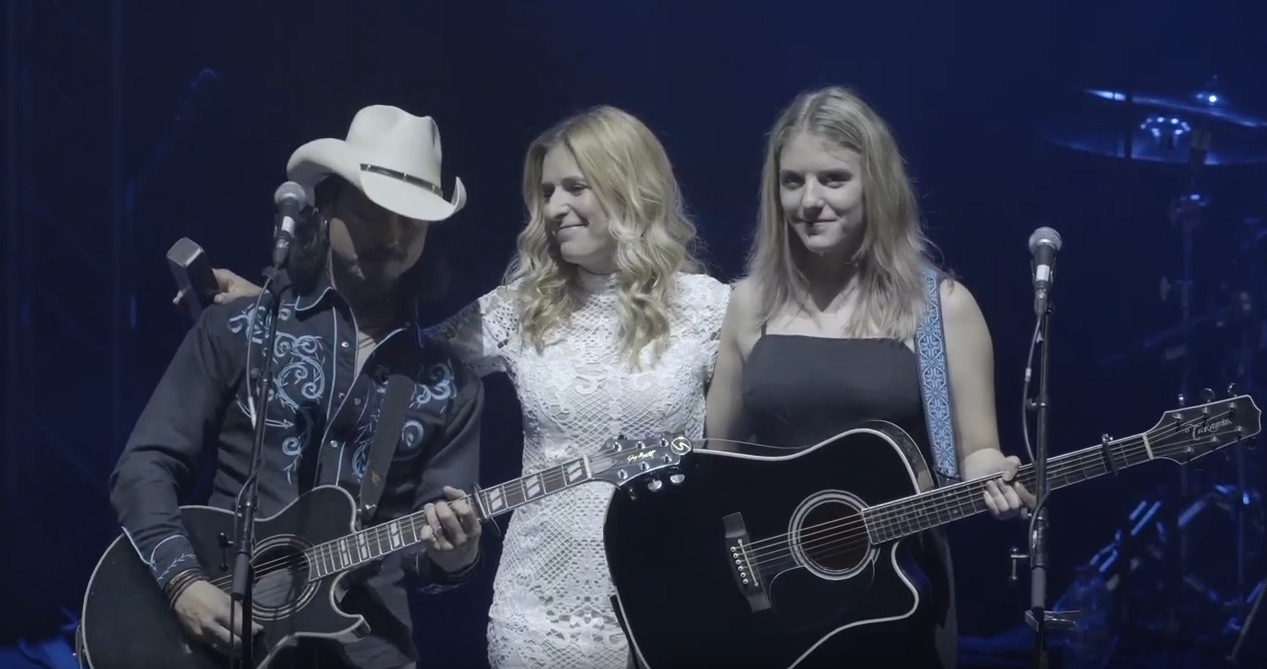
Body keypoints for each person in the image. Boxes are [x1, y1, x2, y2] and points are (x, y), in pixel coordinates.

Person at [186, 105, 732, 669]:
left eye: (575, 188)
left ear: (630, 188)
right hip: (544, 612)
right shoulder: (524, 308)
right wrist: (276, 309)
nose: (554, 208)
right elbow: (387, 351)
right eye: (546, 192)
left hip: (676, 593)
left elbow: (739, 457)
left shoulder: (713, 309)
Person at [114, 105, 486, 669]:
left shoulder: (450, 383)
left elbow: (426, 558)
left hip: (367, 649)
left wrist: (456, 556)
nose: (391, 235)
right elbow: (145, 465)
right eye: (373, 212)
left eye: (411, 221)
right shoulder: (241, 328)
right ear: (326, 205)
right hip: (218, 633)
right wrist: (183, 582)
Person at [704, 86, 1035, 667]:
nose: (809, 200)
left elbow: (976, 450)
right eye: (792, 182)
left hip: (895, 597)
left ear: (876, 185)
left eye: (833, 179)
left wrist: (993, 474)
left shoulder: (940, 308)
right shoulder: (750, 304)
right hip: (774, 597)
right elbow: (716, 457)